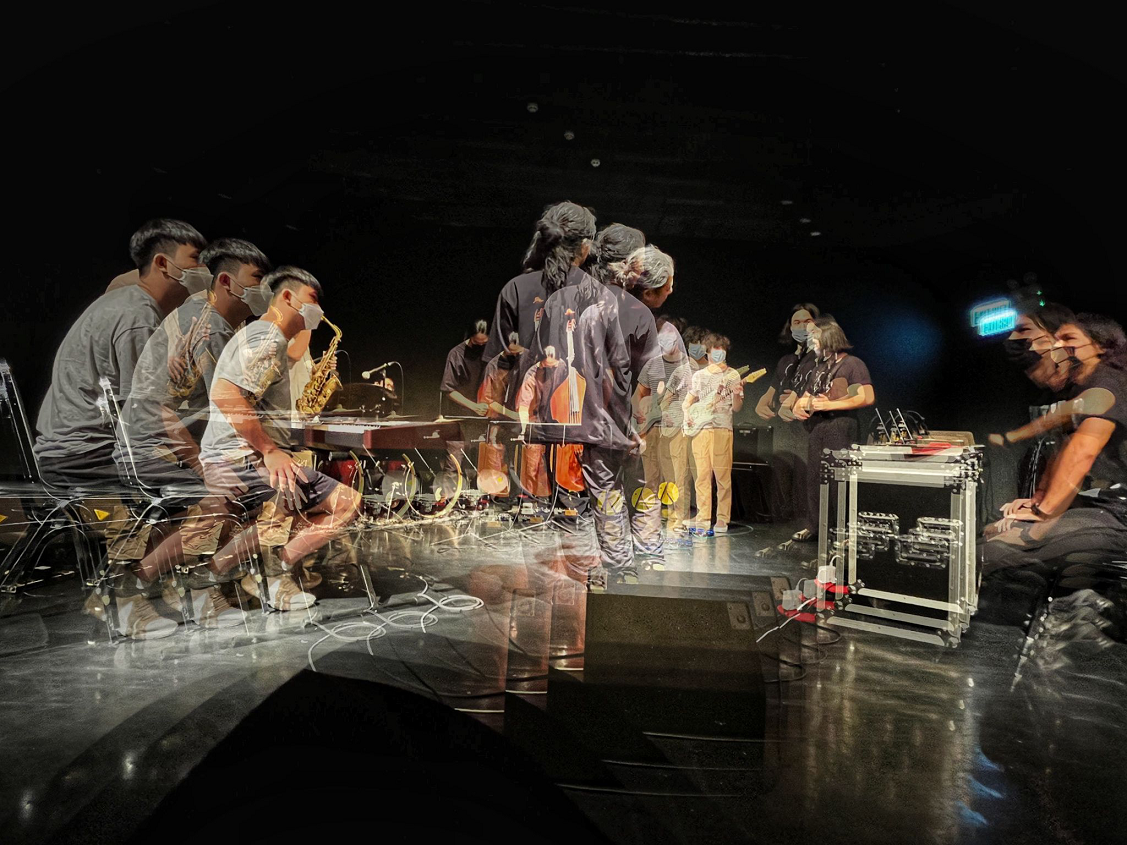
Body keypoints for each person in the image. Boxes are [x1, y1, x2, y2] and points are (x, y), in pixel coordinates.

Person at [109, 239, 273, 630]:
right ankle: (132, 593)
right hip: (148, 448)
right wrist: (204, 467)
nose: (263, 290)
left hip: (166, 445)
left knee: (251, 483)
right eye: (256, 279)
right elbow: (163, 410)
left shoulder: (217, 320)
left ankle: (197, 588)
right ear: (226, 282)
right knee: (223, 496)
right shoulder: (208, 326)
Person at [200, 267, 361, 612]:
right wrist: (270, 451)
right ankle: (272, 573)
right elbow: (225, 394)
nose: (318, 309)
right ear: (287, 297)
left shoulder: (263, 335)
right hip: (241, 459)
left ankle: (230, 571)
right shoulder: (268, 338)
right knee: (346, 503)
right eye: (312, 299)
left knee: (290, 510)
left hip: (233, 455)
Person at [35, 219, 208, 486]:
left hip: (71, 452)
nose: (204, 269)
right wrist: (200, 466)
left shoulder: (126, 304)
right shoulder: (138, 315)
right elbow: (151, 411)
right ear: (163, 263)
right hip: (85, 457)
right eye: (196, 259)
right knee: (213, 494)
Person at [980, 314, 1127, 619]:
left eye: (1068, 339)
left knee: (989, 552)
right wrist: (1038, 500)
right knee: (993, 534)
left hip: (1116, 515)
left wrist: (1041, 519)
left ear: (1099, 346)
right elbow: (1062, 452)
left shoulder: (1107, 384)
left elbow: (1082, 453)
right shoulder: (1081, 390)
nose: (1057, 346)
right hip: (1094, 509)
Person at [791, 316, 875, 542]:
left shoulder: (852, 364)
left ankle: (844, 530)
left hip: (841, 426)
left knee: (840, 479)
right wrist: (798, 406)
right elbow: (806, 397)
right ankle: (815, 526)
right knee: (815, 477)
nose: (812, 342)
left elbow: (866, 397)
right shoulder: (820, 368)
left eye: (815, 337)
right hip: (819, 427)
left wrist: (830, 405)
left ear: (828, 338)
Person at [482, 201, 597, 365]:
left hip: (524, 381)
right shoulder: (597, 293)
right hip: (575, 381)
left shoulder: (517, 288)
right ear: (585, 246)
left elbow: (497, 364)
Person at [756, 304, 820, 523]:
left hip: (807, 428)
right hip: (784, 429)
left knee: (805, 478)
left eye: (807, 321)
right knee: (781, 477)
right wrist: (763, 405)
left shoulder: (820, 357)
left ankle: (807, 524)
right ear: (790, 328)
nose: (802, 326)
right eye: (797, 322)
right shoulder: (786, 361)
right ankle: (781, 524)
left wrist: (795, 401)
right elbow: (769, 394)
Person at [682, 332, 744, 536]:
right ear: (707, 353)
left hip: (722, 429)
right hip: (701, 430)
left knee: (722, 476)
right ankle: (703, 518)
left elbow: (736, 408)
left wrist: (737, 393)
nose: (719, 355)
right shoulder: (699, 376)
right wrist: (687, 415)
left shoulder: (733, 375)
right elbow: (688, 401)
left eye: (722, 351)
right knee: (702, 476)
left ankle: (723, 518)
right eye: (715, 351)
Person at [636, 321, 689, 531]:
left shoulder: (687, 367)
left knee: (675, 475)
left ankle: (677, 519)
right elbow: (638, 395)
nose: (666, 341)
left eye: (670, 337)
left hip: (675, 429)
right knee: (650, 475)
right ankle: (650, 518)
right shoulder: (652, 365)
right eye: (662, 338)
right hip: (651, 428)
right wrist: (639, 413)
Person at [441, 319, 491, 416]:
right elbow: (448, 390)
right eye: (476, 342)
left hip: (487, 413)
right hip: (461, 413)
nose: (480, 345)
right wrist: (474, 406)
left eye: (484, 343)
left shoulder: (491, 352)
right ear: (470, 336)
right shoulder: (456, 354)